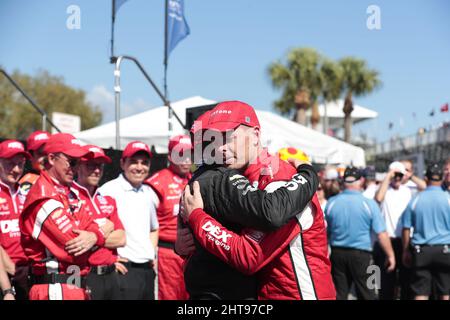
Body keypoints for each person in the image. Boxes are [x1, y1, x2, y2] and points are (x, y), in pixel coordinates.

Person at [179, 101, 334, 300]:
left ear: (256, 136)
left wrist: (198, 219)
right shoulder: (238, 176)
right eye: (216, 140)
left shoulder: (279, 178)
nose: (222, 148)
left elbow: (248, 256)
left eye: (229, 137)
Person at [20, 133, 108, 300]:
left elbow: (91, 228)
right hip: (54, 289)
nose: (75, 169)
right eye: (72, 162)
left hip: (75, 286)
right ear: (52, 159)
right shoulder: (42, 196)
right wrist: (101, 235)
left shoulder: (70, 193)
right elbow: (74, 249)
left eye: (79, 163)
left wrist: (94, 235)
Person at [99, 141, 159, 300]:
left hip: (147, 271)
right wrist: (109, 260)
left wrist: (151, 253)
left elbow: (154, 229)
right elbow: (95, 232)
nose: (139, 167)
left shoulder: (148, 192)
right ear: (122, 163)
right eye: (133, 162)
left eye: (144, 163)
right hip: (122, 271)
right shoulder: (108, 191)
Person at [325, 167, 395, 300]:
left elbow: (325, 233)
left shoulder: (332, 203)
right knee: (369, 294)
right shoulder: (368, 204)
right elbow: (381, 234)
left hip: (337, 254)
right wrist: (391, 255)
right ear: (361, 181)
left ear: (343, 181)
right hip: (362, 256)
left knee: (339, 294)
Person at [73, 145, 126, 300]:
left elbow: (122, 238)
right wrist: (106, 229)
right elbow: (77, 242)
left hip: (111, 274)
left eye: (100, 166)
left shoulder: (108, 200)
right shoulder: (70, 198)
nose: (96, 170)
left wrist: (93, 236)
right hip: (85, 276)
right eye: (91, 165)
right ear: (78, 167)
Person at [145, 135, 192, 300]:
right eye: (181, 154)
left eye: (189, 154)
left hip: (190, 254)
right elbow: (146, 225)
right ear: (170, 156)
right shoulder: (156, 183)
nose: (186, 159)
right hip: (166, 255)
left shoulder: (194, 179)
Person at [402, 163, 450, 300]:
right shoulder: (447, 199)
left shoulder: (416, 199)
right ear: (441, 179)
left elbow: (406, 228)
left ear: (426, 179)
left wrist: (405, 250)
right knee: (445, 292)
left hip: (421, 251)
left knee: (420, 293)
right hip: (445, 250)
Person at [374, 160, 413, 300]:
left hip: (403, 240)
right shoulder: (384, 190)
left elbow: (424, 186)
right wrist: (389, 175)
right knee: (386, 284)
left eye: (400, 175)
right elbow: (378, 198)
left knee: (406, 282)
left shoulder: (407, 191)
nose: (397, 178)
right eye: (395, 175)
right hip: (387, 241)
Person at [0, 140, 32, 300]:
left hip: (27, 274)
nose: (16, 169)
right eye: (9, 164)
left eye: (20, 164)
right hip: (5, 274)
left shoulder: (27, 195)